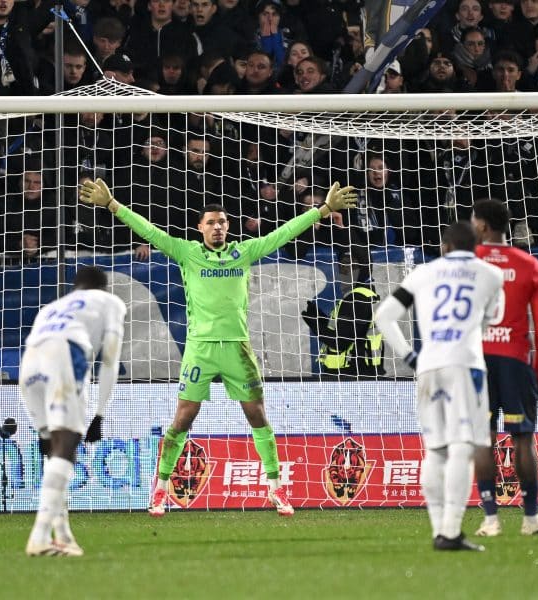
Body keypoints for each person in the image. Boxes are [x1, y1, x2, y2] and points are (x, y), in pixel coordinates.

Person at [78, 177, 358, 517]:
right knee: (183, 418)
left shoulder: (244, 252)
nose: (217, 227)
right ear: (200, 227)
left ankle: (275, 488)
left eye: (222, 222)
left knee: (257, 416)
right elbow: (150, 233)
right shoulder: (187, 252)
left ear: (228, 227)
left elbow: (283, 234)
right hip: (200, 349)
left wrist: (322, 209)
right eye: (211, 222)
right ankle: (161, 489)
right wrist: (113, 206)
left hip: (238, 349)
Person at [374, 221, 504, 552]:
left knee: (435, 448)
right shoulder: (490, 274)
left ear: (444, 247)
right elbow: (492, 318)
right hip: (466, 364)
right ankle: (451, 531)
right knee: (463, 447)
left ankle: (439, 531)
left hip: (428, 365)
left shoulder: (422, 273)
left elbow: (384, 317)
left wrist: (409, 356)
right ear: (476, 244)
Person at [468, 199, 538, 537]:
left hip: (476, 362)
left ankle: (490, 520)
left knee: (483, 438)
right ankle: (531, 518)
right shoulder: (529, 265)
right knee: (523, 440)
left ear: (481, 226)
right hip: (514, 360)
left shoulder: (468, 263)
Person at [21, 266, 127, 556]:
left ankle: (63, 536)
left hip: (29, 362)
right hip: (64, 353)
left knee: (53, 451)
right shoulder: (110, 302)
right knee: (67, 446)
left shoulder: (52, 306)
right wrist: (100, 414)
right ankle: (39, 537)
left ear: (75, 286)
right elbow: (109, 360)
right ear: (102, 288)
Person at [301, 265, 384, 377]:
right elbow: (345, 330)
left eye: (347, 266)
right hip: (363, 370)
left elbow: (339, 343)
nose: (341, 272)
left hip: (351, 374)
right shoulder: (366, 296)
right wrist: (319, 317)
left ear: (361, 270)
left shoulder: (356, 299)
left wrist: (314, 324)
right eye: (341, 267)